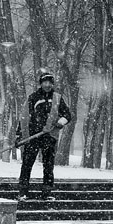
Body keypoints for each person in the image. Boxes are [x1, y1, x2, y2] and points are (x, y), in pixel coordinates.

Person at [16, 71, 72, 201]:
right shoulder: (33, 97)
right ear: (41, 84)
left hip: (49, 136)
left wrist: (60, 122)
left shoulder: (57, 98)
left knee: (48, 165)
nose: (47, 85)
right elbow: (24, 117)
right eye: (45, 82)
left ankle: (47, 192)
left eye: (50, 82)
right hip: (34, 136)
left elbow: (67, 115)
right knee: (27, 164)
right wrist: (19, 135)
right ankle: (23, 192)